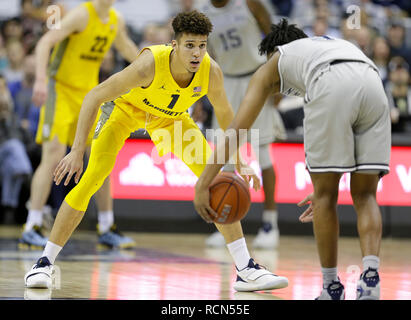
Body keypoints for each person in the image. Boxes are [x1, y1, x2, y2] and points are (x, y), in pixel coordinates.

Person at [24, 10, 289, 293]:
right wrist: (77, 150)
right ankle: (43, 263)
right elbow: (94, 96)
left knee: (216, 182)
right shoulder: (148, 64)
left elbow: (227, 118)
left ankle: (245, 268)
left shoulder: (211, 71)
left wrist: (239, 162)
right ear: (175, 45)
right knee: (92, 179)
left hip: (171, 119)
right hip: (124, 112)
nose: (197, 53)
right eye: (189, 45)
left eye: (201, 45)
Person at [194, 19, 391, 300]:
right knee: (366, 195)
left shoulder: (274, 63)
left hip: (329, 84)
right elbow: (350, 94)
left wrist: (204, 183)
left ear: (274, 51)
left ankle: (331, 288)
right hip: (372, 83)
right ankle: (370, 278)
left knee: (325, 199)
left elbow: (237, 129)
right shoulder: (329, 44)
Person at [20, 0, 140, 249]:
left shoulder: (115, 20)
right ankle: (32, 225)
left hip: (89, 95)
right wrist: (41, 80)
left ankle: (107, 227)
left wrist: (154, 64)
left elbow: (126, 47)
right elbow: (44, 44)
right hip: (60, 91)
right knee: (52, 154)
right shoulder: (80, 15)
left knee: (101, 156)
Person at [202, 0, 286, 249]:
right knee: (225, 157)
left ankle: (270, 224)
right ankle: (226, 223)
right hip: (225, 83)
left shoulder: (249, 4)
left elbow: (274, 38)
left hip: (255, 79)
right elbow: (208, 54)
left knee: (262, 154)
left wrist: (276, 78)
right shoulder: (203, 13)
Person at [0, 74, 33, 223]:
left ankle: (9, 209)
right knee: (14, 149)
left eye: (3, 87)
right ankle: (28, 175)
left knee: (11, 166)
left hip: (8, 157)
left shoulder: (11, 110)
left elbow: (22, 138)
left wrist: (7, 118)